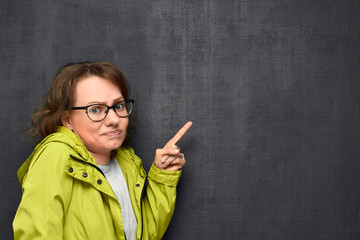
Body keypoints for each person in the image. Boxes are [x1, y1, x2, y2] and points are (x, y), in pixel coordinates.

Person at [13, 61, 193, 240]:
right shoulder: (56, 155)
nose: (114, 119)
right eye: (96, 109)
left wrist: (162, 177)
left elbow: (143, 235)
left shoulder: (126, 162)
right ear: (67, 120)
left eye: (118, 106)